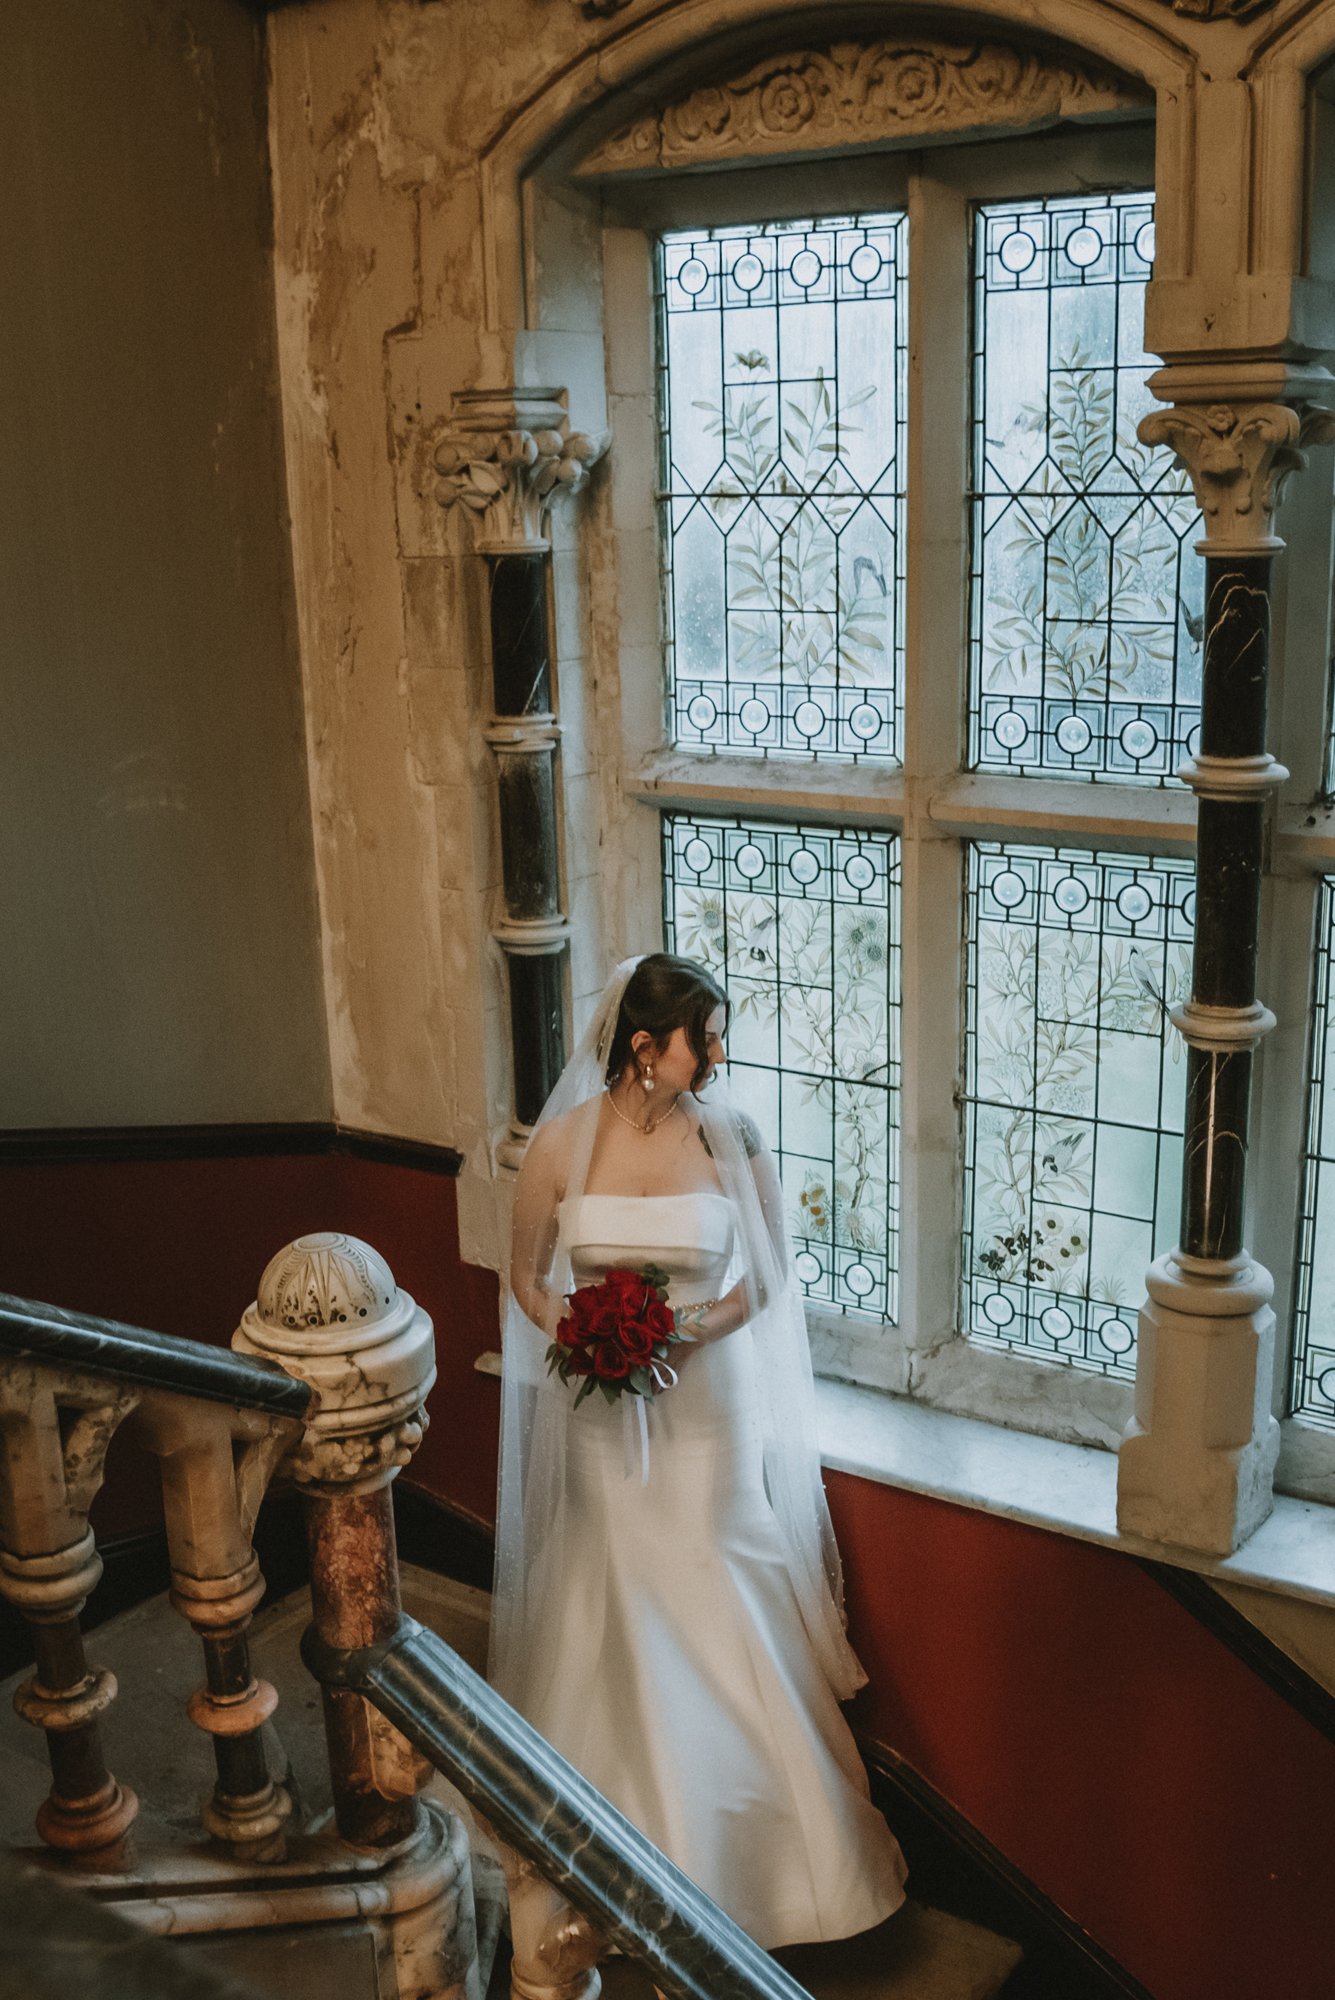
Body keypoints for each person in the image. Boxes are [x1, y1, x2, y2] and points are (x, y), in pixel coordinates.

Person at [492, 952, 907, 1949]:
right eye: (703, 1036)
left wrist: (677, 1334)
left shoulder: (734, 1135)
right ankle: (625, 1837)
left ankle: (771, 1858)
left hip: (707, 1407)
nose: (719, 1052)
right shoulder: (561, 1143)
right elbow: (524, 1275)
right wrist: (584, 1336)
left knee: (715, 1576)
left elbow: (763, 1282)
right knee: (621, 1586)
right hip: (602, 1408)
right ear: (646, 1047)